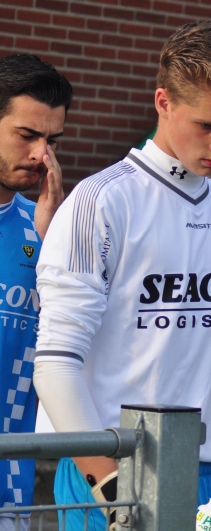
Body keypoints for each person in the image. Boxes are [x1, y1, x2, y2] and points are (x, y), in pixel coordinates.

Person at [32, 23, 211, 531]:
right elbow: (53, 364)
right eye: (206, 125)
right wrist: (114, 492)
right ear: (163, 101)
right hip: (108, 470)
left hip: (209, 480)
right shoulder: (99, 202)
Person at [0, 53, 71, 531]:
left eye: (52, 140)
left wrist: (55, 250)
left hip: (10, 487)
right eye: (27, 135)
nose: (41, 155)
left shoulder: (51, 229)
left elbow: (71, 345)